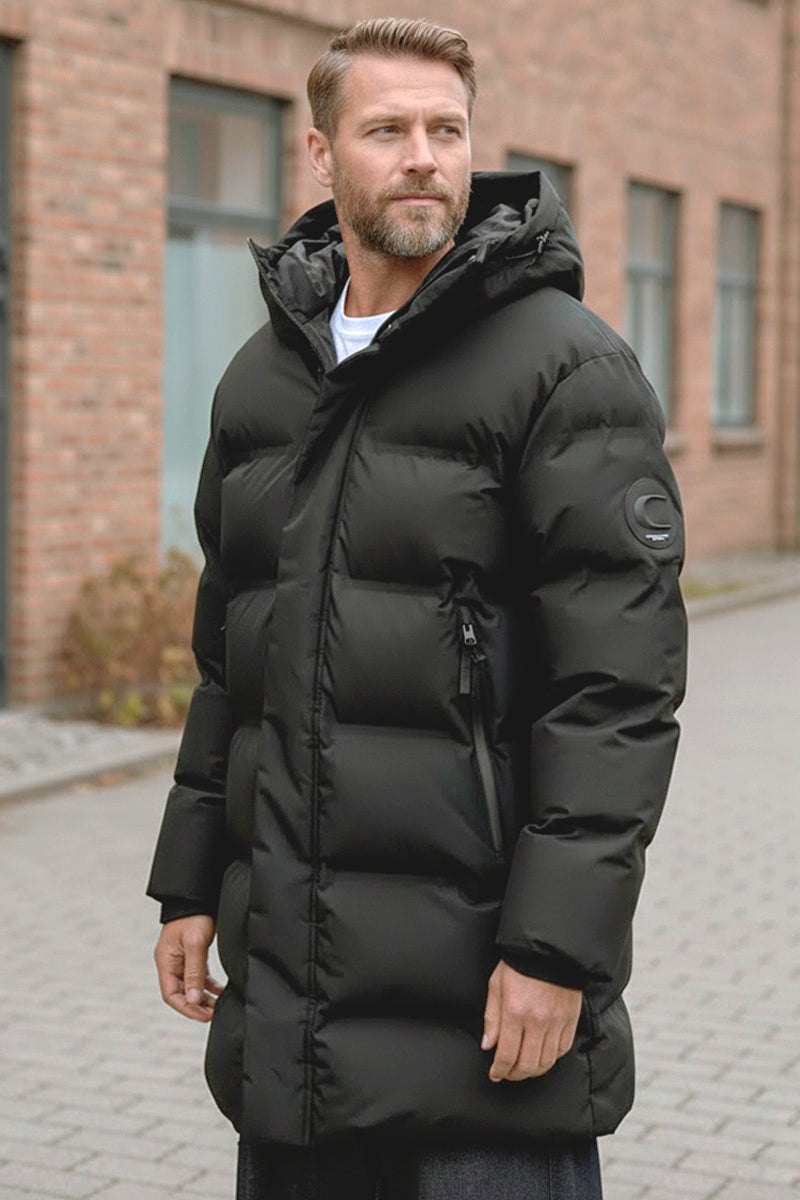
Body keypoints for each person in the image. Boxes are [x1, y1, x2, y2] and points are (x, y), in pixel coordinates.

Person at [146, 17, 687, 1200]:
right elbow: (230, 662)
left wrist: (555, 950)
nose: (423, 158)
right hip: (294, 1008)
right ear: (320, 153)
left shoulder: (564, 368)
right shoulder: (262, 382)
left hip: (481, 1014)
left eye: (447, 129)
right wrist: (188, 884)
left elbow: (614, 696)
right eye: (386, 130)